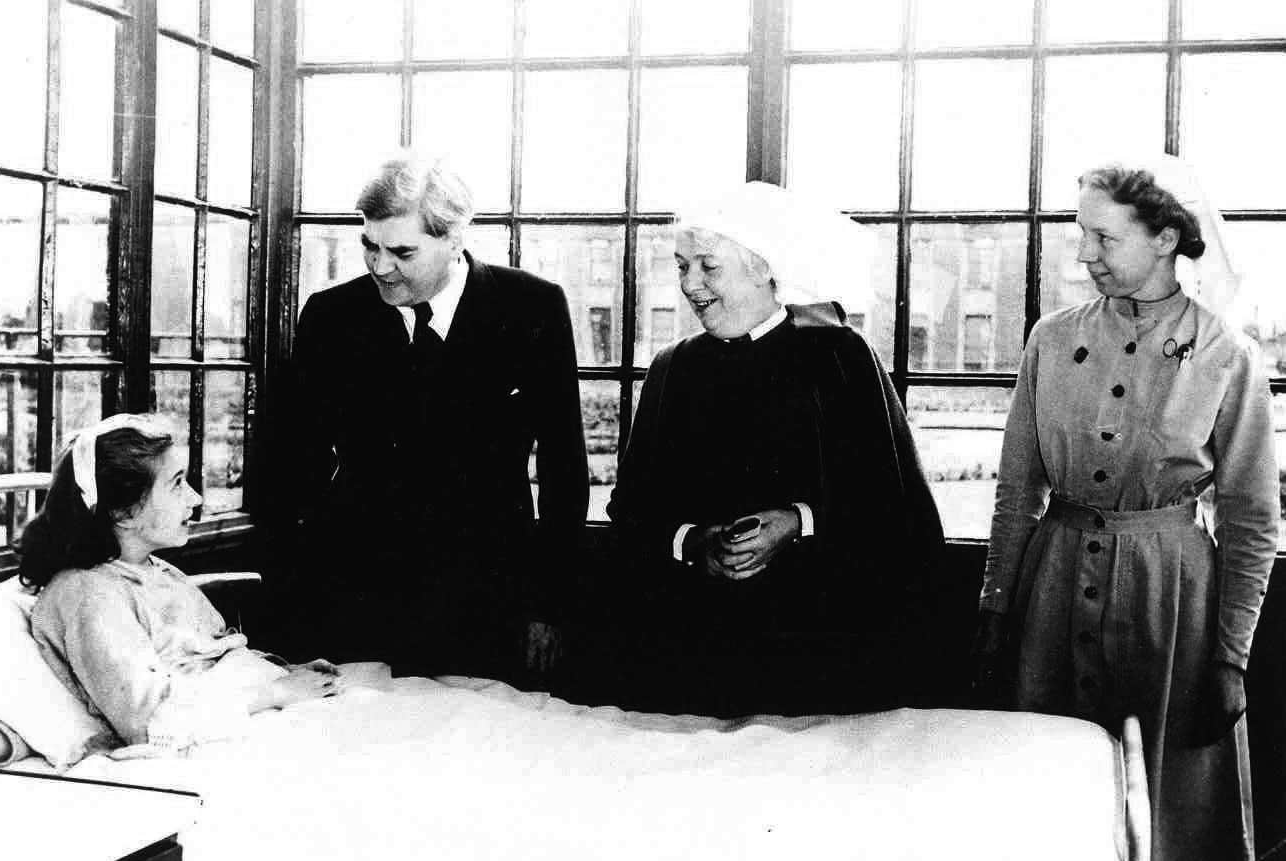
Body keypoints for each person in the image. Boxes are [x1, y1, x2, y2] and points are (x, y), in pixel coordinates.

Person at [974, 156, 1278, 861]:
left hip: (1169, 606)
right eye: (1082, 233)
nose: (1084, 254)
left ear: (1166, 237)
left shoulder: (1226, 356)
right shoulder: (1051, 338)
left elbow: (1252, 518)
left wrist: (1230, 657)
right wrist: (995, 611)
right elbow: (1018, 489)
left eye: (1104, 238)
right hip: (1049, 601)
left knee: (1164, 811)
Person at [604, 182, 952, 718]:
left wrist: (799, 521)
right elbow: (631, 512)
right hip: (695, 657)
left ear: (765, 268)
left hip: (819, 655)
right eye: (680, 266)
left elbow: (896, 507)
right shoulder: (672, 369)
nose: (690, 285)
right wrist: (696, 542)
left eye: (708, 267)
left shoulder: (839, 357)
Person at [279, 154, 588, 683]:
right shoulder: (329, 317)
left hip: (488, 597)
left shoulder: (531, 308)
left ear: (454, 239)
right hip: (356, 596)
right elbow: (289, 465)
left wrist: (548, 607)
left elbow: (564, 468)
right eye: (370, 246)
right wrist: (299, 589)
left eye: (402, 252)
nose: (380, 267)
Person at [19, 414, 339, 758]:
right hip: (207, 745)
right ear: (122, 513)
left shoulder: (153, 570)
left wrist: (284, 672)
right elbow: (153, 725)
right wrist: (277, 692)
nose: (195, 498)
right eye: (176, 484)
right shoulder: (88, 597)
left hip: (255, 710)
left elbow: (207, 653)